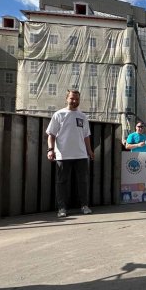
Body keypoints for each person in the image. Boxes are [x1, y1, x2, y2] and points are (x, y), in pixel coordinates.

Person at [46, 90, 95, 218]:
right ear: (66, 98)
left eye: (77, 99)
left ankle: (84, 205)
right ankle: (62, 208)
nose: (75, 101)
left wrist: (89, 151)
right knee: (62, 182)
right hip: (63, 155)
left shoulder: (83, 116)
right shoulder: (59, 114)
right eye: (72, 98)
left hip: (81, 155)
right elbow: (51, 134)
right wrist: (50, 150)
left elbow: (86, 136)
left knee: (83, 182)